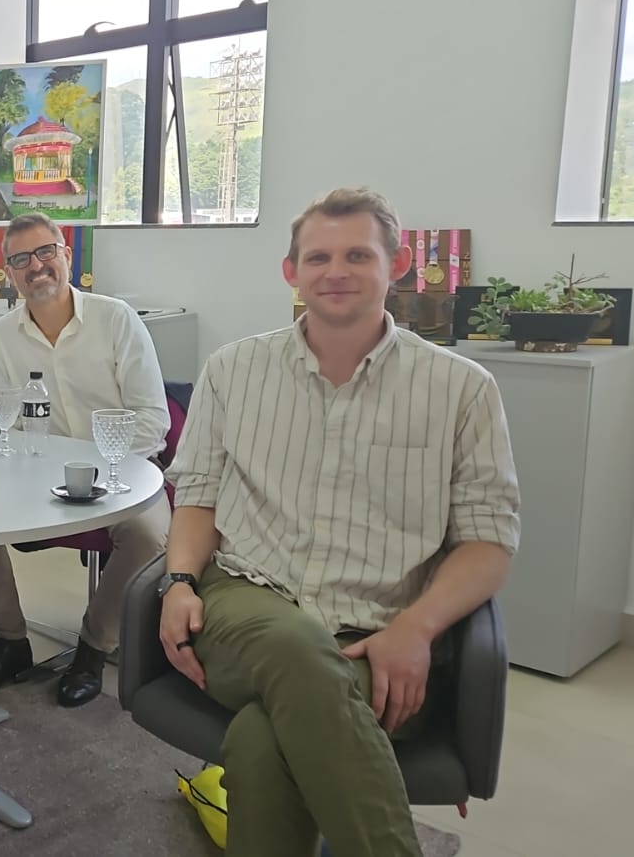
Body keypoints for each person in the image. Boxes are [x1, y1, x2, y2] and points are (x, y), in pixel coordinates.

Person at [159, 187, 521, 857]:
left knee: (263, 741)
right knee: (294, 649)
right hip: (245, 601)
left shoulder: (461, 388)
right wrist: (179, 580)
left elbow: (488, 539)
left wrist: (416, 628)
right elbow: (199, 494)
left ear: (397, 264)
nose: (336, 272)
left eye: (358, 255)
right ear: (290, 271)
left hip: (377, 630)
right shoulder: (233, 370)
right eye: (318, 257)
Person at [0, 211, 174, 708]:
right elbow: (7, 422)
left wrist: (97, 472)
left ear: (66, 255)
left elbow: (152, 419)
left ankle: (94, 647)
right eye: (21, 260)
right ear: (10, 273)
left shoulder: (116, 319)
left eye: (45, 251)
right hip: (38, 475)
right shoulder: (2, 335)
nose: (36, 266)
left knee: (148, 534)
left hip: (125, 472)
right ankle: (9, 640)